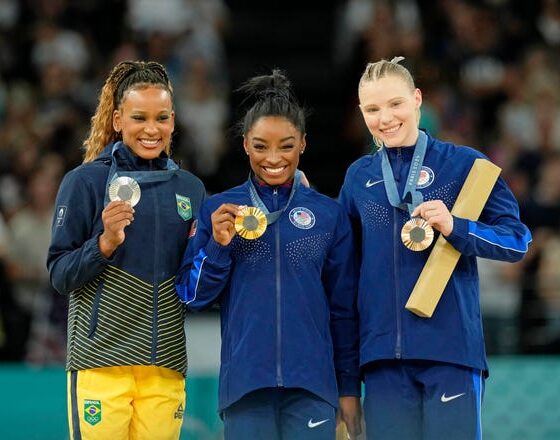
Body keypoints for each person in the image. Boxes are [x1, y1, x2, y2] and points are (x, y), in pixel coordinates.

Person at [338, 57, 532, 440]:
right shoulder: (358, 177)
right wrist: (346, 379)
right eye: (373, 109)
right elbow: (344, 277)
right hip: (381, 362)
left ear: (417, 99)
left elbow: (517, 240)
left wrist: (455, 227)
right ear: (362, 113)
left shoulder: (464, 164)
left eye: (395, 104)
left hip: (451, 352)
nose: (386, 118)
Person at [175, 70, 362, 440]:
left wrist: (348, 388)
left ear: (304, 144)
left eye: (286, 145)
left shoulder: (329, 215)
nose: (273, 158)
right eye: (260, 146)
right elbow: (192, 297)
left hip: (313, 388)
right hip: (246, 387)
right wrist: (218, 246)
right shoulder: (219, 209)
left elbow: (344, 310)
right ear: (245, 144)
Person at [47, 60, 206, 440]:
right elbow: (59, 273)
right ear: (118, 120)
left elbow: (195, 286)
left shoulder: (191, 189)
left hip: (165, 366)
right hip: (101, 362)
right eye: (139, 117)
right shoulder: (86, 182)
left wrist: (216, 249)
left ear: (173, 121)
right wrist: (104, 244)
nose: (152, 129)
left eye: (161, 118)